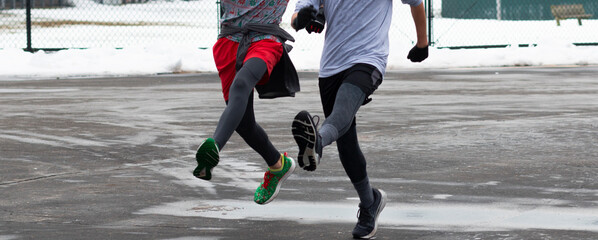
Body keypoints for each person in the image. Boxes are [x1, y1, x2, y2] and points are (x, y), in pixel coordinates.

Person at [291, 0, 429, 238]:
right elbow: (297, 16)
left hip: (368, 59)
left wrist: (422, 43)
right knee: (346, 142)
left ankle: (317, 143)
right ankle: (369, 202)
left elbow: (416, 3)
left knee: (341, 113)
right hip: (331, 66)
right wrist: (302, 19)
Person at [193, 0, 298, 205]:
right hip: (229, 41)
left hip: (265, 39)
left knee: (242, 84)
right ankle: (278, 165)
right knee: (243, 123)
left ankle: (214, 147)